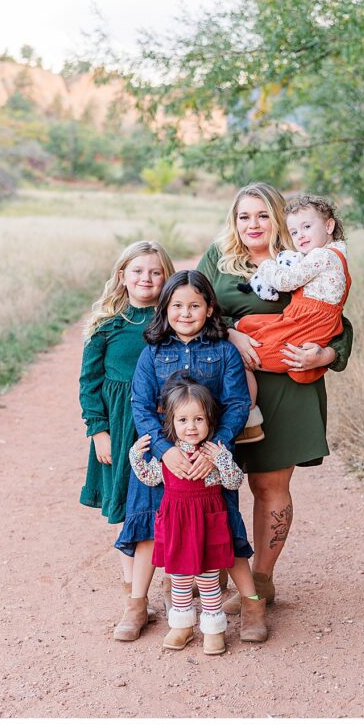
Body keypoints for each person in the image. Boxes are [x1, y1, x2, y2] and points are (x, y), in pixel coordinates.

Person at [195, 182, 353, 614]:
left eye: (263, 215)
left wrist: (327, 353)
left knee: (269, 485)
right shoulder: (218, 258)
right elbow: (189, 306)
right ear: (234, 220)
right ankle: (213, 575)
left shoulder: (304, 256)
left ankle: (260, 582)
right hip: (223, 381)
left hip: (288, 384)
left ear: (278, 218)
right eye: (244, 216)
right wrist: (227, 333)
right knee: (215, 483)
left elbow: (335, 316)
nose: (253, 224)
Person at [116, 269, 267, 643]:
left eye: (195, 305)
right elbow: (140, 404)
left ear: (209, 308)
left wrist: (214, 451)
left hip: (210, 458)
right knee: (150, 524)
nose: (185, 313)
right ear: (165, 308)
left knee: (224, 530)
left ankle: (251, 606)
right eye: (177, 305)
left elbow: (236, 403)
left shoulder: (224, 351)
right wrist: (165, 452)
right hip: (163, 458)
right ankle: (137, 606)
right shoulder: (153, 353)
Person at [78, 240, 175, 632]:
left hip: (164, 423)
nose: (146, 279)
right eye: (138, 271)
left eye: (155, 272)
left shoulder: (173, 318)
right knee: (126, 508)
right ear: (123, 276)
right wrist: (98, 430)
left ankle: (175, 585)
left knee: (170, 504)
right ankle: (134, 599)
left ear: (166, 276)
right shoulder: (108, 323)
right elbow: (89, 382)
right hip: (120, 428)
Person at [129, 375, 244, 655]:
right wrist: (136, 456)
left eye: (198, 420)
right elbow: (150, 477)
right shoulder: (168, 455)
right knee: (179, 576)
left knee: (207, 577)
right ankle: (181, 626)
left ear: (209, 421)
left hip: (208, 523)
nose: (191, 427)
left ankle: (213, 629)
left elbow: (234, 481)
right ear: (171, 422)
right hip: (177, 524)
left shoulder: (212, 454)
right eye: (183, 420)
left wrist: (223, 459)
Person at [233, 194, 351, 441]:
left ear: (329, 226)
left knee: (248, 353)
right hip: (301, 318)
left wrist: (266, 265)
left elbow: (285, 282)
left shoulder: (321, 256)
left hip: (304, 323)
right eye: (295, 232)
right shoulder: (328, 256)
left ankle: (248, 417)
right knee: (246, 326)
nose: (301, 236)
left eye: (307, 227)